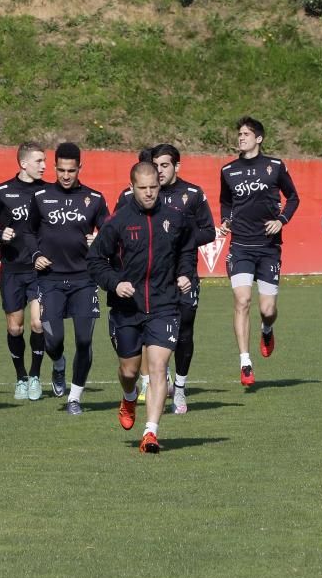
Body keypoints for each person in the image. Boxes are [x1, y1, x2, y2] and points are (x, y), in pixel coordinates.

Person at [89, 161, 198, 453]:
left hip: (164, 304)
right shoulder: (118, 222)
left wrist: (186, 273)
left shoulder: (175, 219)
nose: (149, 193)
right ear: (132, 187)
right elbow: (95, 260)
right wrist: (115, 283)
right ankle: (128, 396)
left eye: (154, 187)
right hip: (127, 308)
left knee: (159, 367)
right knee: (129, 370)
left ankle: (150, 432)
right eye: (143, 188)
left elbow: (187, 250)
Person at [117, 144, 216, 413]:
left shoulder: (192, 194)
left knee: (184, 331)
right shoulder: (132, 197)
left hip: (183, 277)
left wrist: (178, 239)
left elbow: (209, 231)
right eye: (155, 165)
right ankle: (153, 381)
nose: (159, 171)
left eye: (164, 165)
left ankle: (180, 389)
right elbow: (115, 233)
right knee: (149, 334)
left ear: (176, 166)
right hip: (148, 281)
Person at [218, 117, 300, 387]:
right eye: (239, 133)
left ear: (259, 138)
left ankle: (267, 329)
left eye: (246, 133)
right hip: (240, 246)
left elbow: (293, 197)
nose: (241, 137)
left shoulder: (275, 166)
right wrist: (226, 220)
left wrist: (282, 221)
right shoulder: (228, 170)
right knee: (242, 301)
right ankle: (245, 362)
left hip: (268, 248)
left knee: (267, 309)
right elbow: (225, 201)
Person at [28, 142, 109, 414]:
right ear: (54, 168)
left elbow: (110, 234)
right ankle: (59, 363)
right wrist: (35, 253)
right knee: (53, 340)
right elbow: (27, 233)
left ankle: (75, 397)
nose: (65, 175)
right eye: (61, 170)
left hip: (84, 280)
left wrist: (99, 239)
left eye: (71, 170)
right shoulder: (40, 196)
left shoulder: (94, 199)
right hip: (50, 280)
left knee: (84, 341)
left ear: (79, 168)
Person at [0, 142, 48, 401]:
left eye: (44, 161)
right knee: (15, 328)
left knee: (38, 323)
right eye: (39, 161)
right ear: (23, 163)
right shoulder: (2, 192)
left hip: (39, 269)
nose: (44, 165)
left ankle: (34, 376)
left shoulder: (48, 192)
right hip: (11, 270)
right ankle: (20, 376)